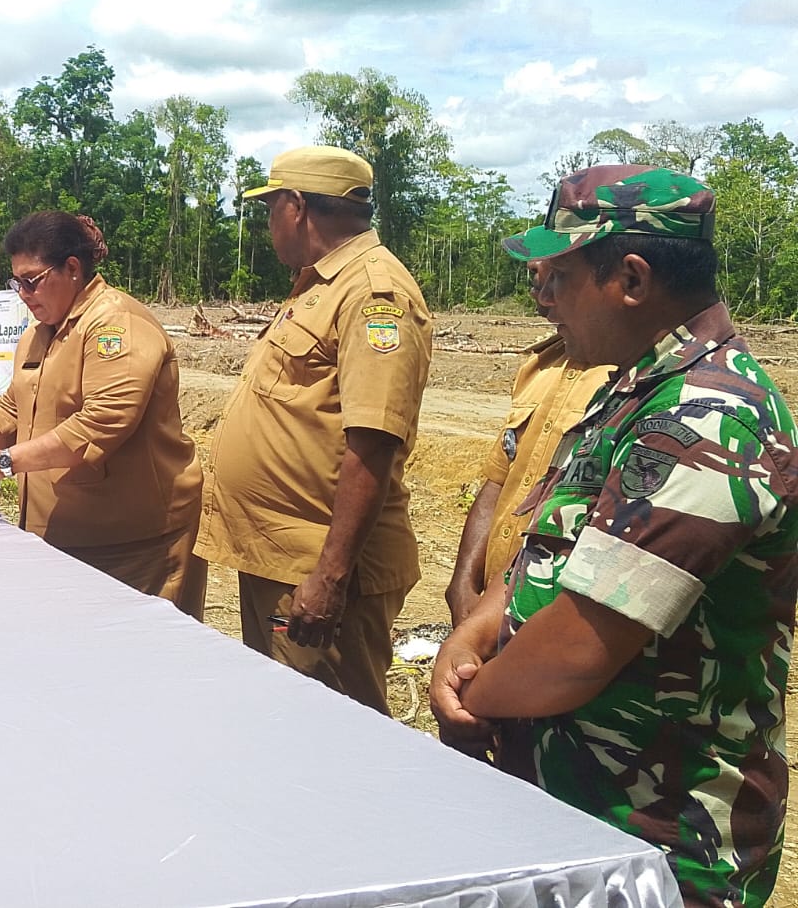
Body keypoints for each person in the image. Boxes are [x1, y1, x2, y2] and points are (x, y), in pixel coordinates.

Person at [431, 165, 795, 908]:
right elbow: (549, 544)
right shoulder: (631, 392)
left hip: (662, 837)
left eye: (559, 276)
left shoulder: (709, 420)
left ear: (631, 278)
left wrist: (474, 701)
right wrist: (466, 641)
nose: (542, 297)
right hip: (578, 804)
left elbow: (578, 649)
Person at [193, 146, 432, 714]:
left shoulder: (375, 293)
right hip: (280, 559)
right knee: (288, 722)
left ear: (296, 207)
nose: (268, 223)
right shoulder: (321, 283)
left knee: (332, 731)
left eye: (270, 207)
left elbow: (374, 444)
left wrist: (329, 577)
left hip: (316, 570)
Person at [0, 212, 206, 616]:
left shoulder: (114, 324)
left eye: (32, 280)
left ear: (72, 268)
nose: (23, 294)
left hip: (131, 544)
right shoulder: (38, 333)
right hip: (62, 538)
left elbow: (102, 422)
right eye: (16, 282)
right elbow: (13, 408)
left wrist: (5, 461)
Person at [444, 262, 612, 625]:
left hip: (555, 615)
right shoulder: (541, 364)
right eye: (534, 280)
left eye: (556, 277)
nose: (541, 297)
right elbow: (501, 478)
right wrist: (463, 583)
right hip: (494, 611)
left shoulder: (630, 379)